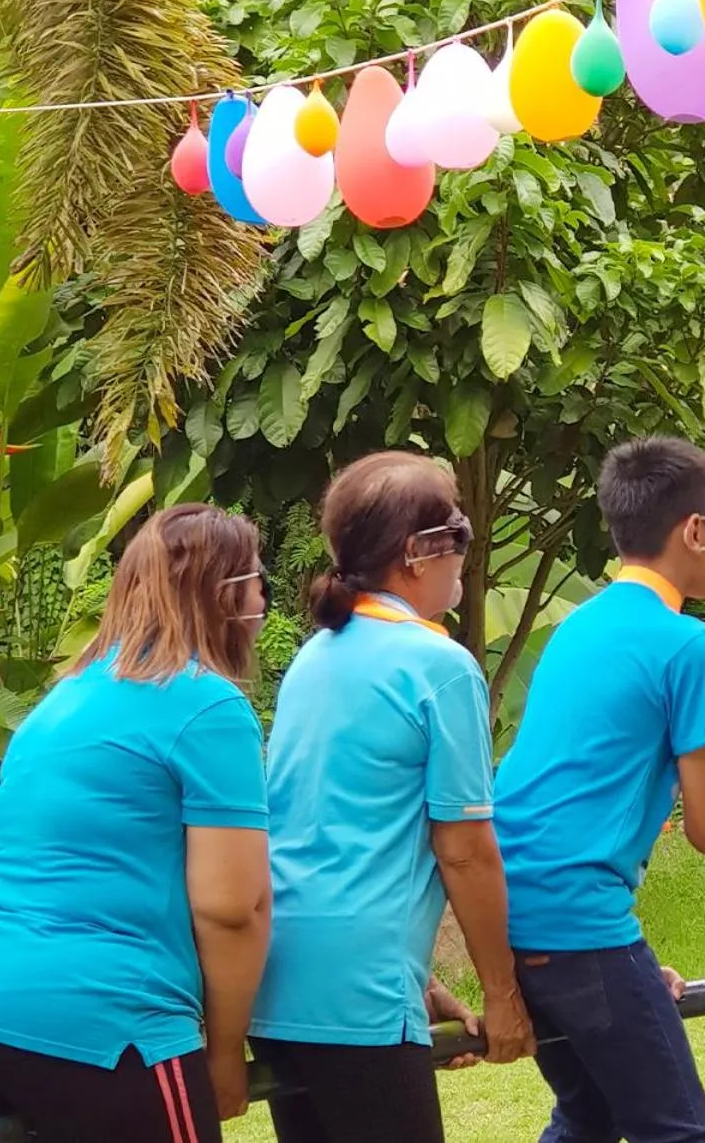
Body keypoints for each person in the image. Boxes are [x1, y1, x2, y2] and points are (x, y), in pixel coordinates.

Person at [492, 436, 705, 1143]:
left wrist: (635, 975)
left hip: (512, 912)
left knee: (589, 1116)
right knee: (681, 1132)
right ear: (697, 529)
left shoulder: (578, 626)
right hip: (578, 924)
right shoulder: (689, 646)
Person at [0, 504, 272, 1143]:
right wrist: (226, 1052)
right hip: (108, 1020)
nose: (262, 602)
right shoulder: (208, 705)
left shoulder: (64, 696)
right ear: (227, 594)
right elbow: (233, 908)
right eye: (258, 582)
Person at [251, 452, 535, 1142]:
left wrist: (425, 986)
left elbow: (330, 831)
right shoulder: (440, 666)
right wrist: (503, 994)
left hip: (278, 977)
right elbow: (465, 852)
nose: (466, 552)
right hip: (360, 990)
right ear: (418, 552)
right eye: (460, 533)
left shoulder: (315, 657)